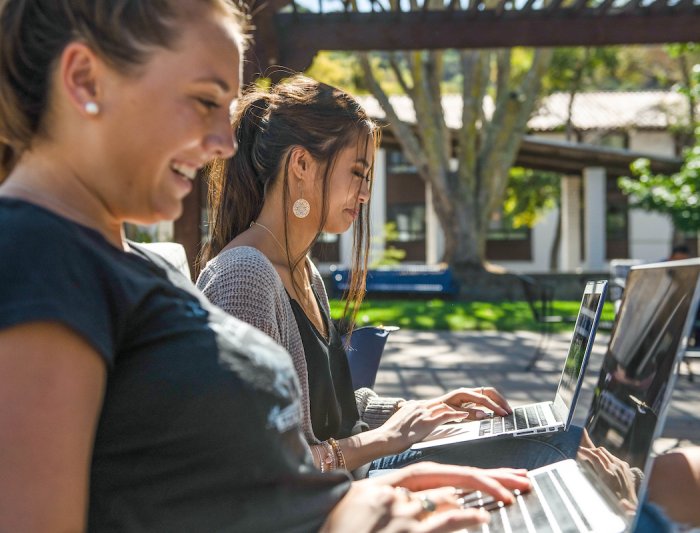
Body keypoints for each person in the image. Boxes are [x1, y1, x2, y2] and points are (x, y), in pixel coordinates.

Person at [0, 1, 534, 531]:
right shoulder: (41, 261)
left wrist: (376, 490)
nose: (225, 143)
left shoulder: (117, 262)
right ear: (85, 80)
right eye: (204, 99)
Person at [197, 75, 582, 477]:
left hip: (363, 478)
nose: (365, 193)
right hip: (338, 504)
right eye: (358, 173)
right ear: (302, 165)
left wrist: (419, 413)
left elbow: (337, 408)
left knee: (554, 434)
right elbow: (254, 468)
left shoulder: (301, 271)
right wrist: (389, 438)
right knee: (557, 448)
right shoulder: (243, 277)